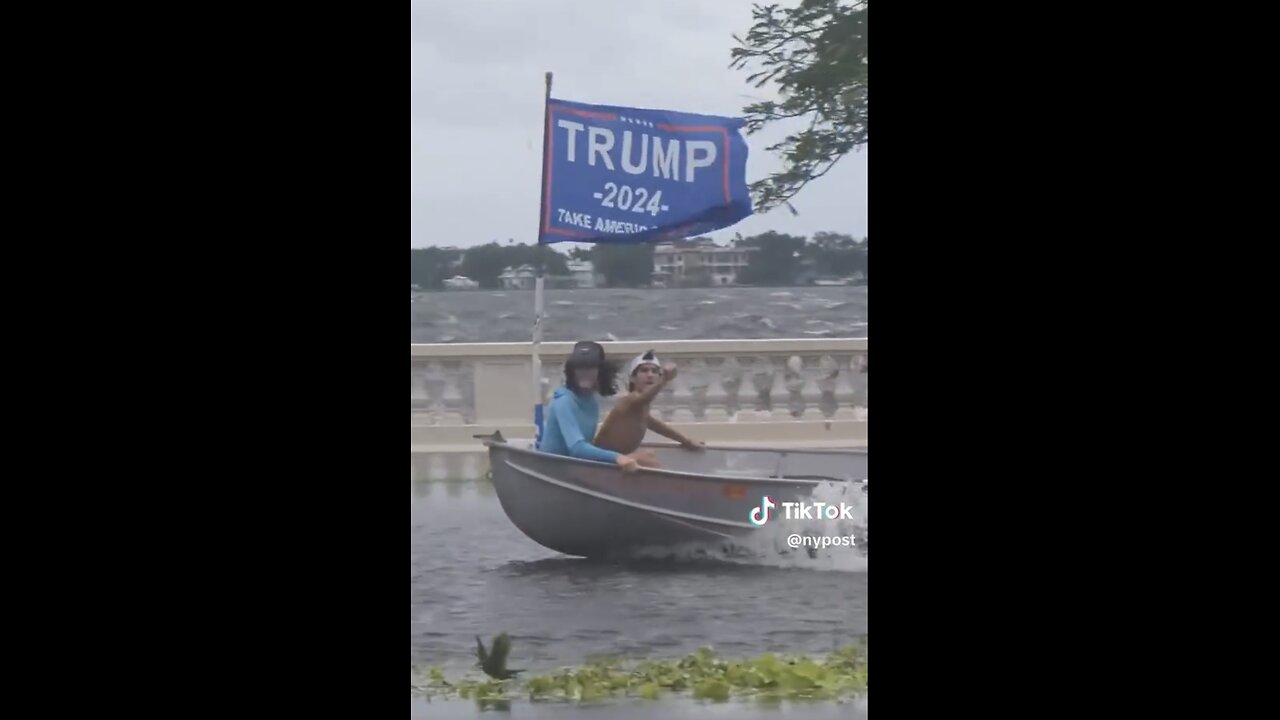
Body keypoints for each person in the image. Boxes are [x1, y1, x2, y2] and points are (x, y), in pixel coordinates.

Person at [537, 341, 656, 472]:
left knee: (648, 457)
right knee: (643, 459)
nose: (584, 373)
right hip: (554, 469)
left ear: (601, 372)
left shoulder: (591, 400)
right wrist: (618, 457)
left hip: (575, 466)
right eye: (579, 368)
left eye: (591, 368)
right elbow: (577, 448)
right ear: (572, 372)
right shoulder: (564, 401)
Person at [594, 350, 706, 457]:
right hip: (602, 461)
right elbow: (644, 398)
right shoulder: (629, 400)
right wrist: (664, 379)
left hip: (617, 460)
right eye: (644, 370)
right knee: (648, 458)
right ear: (633, 378)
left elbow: (658, 426)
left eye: (654, 371)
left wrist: (686, 441)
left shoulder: (641, 409)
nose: (650, 375)